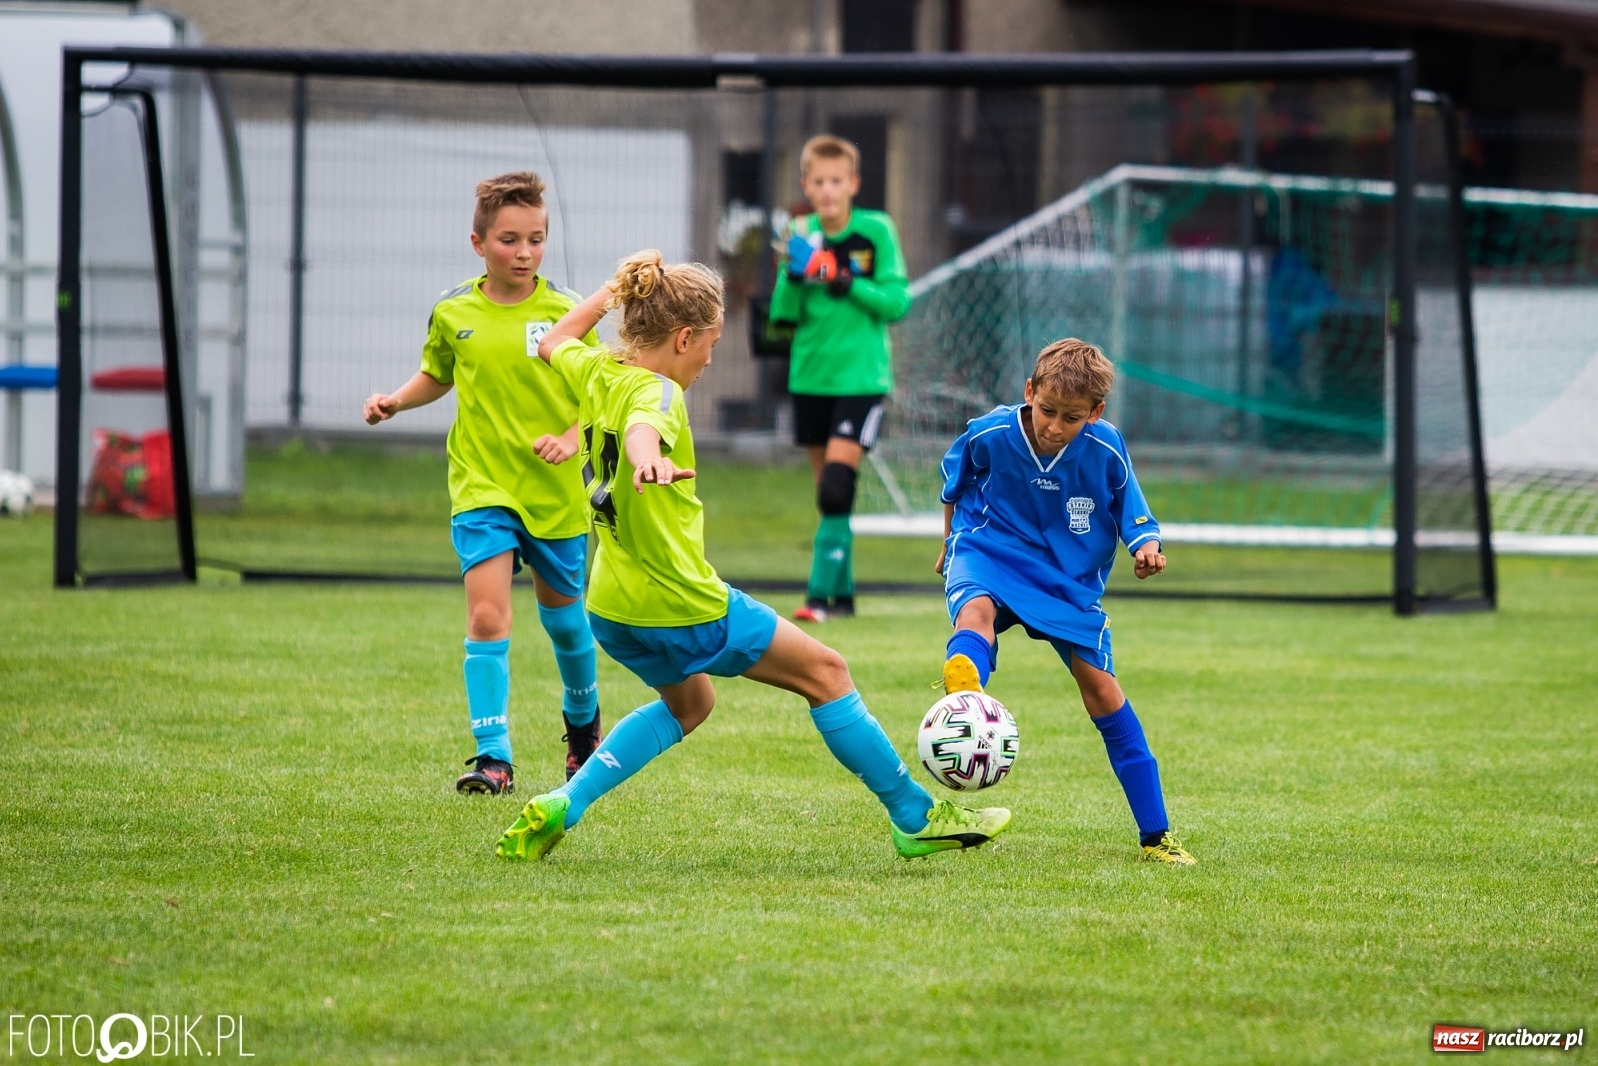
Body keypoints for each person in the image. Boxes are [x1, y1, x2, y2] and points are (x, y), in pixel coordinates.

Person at [495, 250, 1009, 863]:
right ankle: (915, 816)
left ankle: (565, 802)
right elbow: (642, 430)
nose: (710, 359)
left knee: (691, 704)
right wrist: (647, 460)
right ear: (683, 338)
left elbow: (554, 340)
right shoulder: (658, 391)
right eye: (710, 344)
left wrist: (614, 290)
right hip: (681, 604)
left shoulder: (599, 369)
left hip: (610, 607)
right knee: (827, 672)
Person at [363, 172, 603, 797]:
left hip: (553, 493)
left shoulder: (568, 311)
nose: (524, 253)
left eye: (536, 240)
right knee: (488, 616)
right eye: (509, 240)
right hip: (482, 488)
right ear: (478, 243)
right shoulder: (453, 311)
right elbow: (437, 374)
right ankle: (493, 757)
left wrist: (571, 438)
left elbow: (601, 395)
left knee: (566, 624)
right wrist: (396, 401)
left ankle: (583, 729)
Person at [935, 338, 1196, 866]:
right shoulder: (989, 433)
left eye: (1071, 418)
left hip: (1065, 580)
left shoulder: (1106, 448)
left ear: (1095, 413)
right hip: (991, 551)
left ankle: (1156, 837)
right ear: (1029, 391)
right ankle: (966, 696)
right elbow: (954, 488)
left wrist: (1146, 547)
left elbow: (1134, 513)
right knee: (975, 614)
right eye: (1047, 410)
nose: (1054, 426)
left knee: (1102, 690)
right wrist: (948, 544)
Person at [768, 134, 911, 623]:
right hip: (811, 377)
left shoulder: (876, 230)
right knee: (831, 497)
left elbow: (897, 303)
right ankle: (844, 598)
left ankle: (815, 600)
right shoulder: (799, 232)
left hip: (862, 380)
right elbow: (782, 317)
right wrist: (793, 275)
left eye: (837, 181)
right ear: (806, 185)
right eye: (819, 182)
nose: (828, 190)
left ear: (854, 184)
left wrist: (841, 278)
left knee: (835, 487)